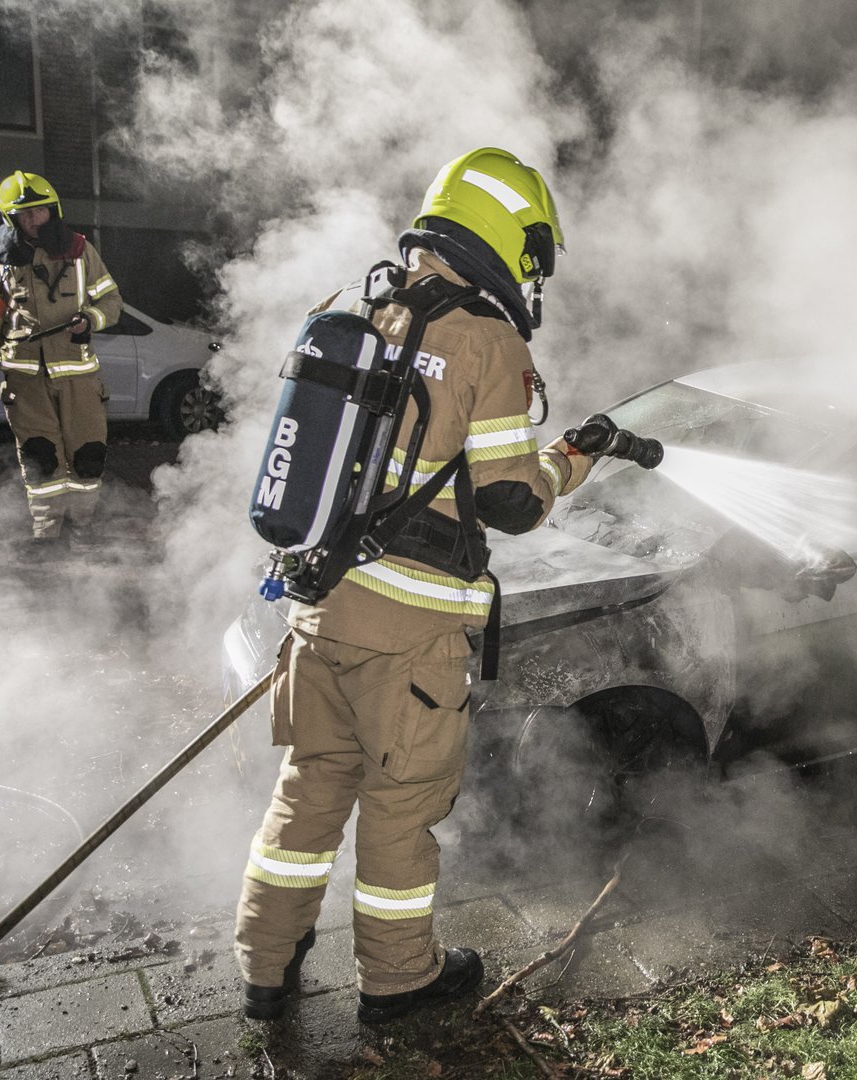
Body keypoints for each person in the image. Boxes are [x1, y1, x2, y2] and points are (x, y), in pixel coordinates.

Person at [235, 148, 598, 1025]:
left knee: (309, 789)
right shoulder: (485, 338)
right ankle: (398, 982)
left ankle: (263, 969)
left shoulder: (367, 312)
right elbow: (512, 501)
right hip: (408, 636)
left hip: (321, 612)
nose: (531, 277)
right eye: (532, 255)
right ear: (508, 238)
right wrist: (574, 459)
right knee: (400, 809)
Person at [0, 171, 122, 543]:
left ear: (54, 210)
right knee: (40, 457)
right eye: (25, 215)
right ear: (10, 218)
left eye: (41, 211)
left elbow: (112, 301)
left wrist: (90, 320)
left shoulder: (80, 250)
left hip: (79, 375)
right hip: (23, 377)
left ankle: (82, 526)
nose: (34, 221)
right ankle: (48, 533)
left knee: (87, 454)